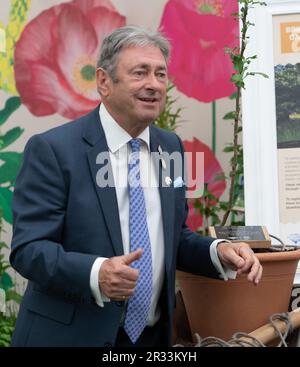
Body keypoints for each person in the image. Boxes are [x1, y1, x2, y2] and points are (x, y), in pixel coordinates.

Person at [10, 25, 262, 347]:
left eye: (160, 74)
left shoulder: (170, 147)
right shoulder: (53, 150)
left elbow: (172, 238)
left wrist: (219, 252)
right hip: (72, 336)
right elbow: (29, 250)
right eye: (140, 73)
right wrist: (96, 273)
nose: (153, 85)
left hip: (151, 338)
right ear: (104, 81)